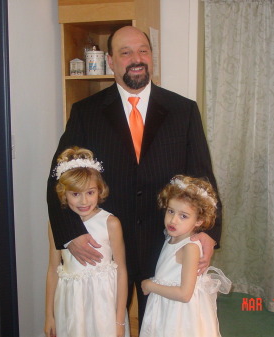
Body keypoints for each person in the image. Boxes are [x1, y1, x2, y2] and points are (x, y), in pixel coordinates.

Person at [47, 25, 223, 324]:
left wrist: (207, 233)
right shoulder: (86, 112)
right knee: (105, 323)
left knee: (158, 323)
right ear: (111, 61)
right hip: (105, 245)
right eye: (125, 52)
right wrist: (70, 232)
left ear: (152, 57)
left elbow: (203, 179)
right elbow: (58, 176)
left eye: (143, 50)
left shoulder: (184, 110)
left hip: (167, 241)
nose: (136, 58)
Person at [44, 147, 129, 337]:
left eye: (90, 192)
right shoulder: (55, 225)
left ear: (99, 190)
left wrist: (119, 320)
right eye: (75, 194)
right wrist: (49, 315)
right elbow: (52, 269)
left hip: (103, 305)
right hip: (70, 302)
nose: (84, 201)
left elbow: (121, 270)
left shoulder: (111, 223)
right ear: (63, 194)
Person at [140, 175, 231, 337]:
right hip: (165, 307)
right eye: (170, 211)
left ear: (199, 221)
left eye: (183, 216)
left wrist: (150, 285)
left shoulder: (189, 248)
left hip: (178, 315)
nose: (173, 220)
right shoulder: (170, 237)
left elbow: (184, 294)